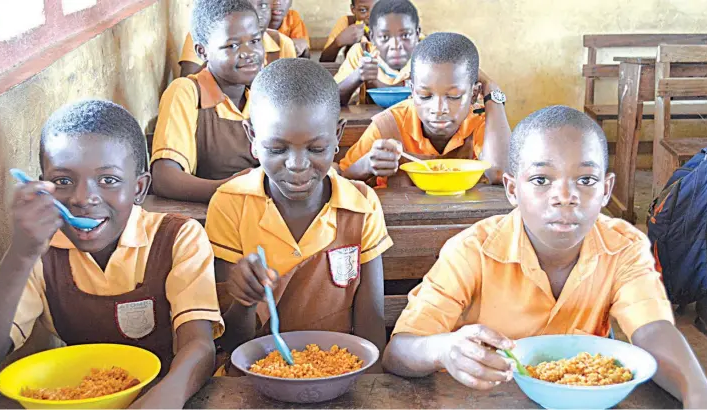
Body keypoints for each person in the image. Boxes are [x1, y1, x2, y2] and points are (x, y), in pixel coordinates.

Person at [381, 105, 707, 408]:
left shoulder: (623, 248)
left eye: (586, 180)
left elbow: (653, 331)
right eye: (541, 180)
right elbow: (399, 352)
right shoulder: (471, 251)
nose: (565, 197)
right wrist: (443, 349)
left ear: (606, 190)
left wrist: (698, 394)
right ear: (512, 189)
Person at [0, 100, 223, 408]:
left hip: (176, 390)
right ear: (43, 186)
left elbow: (198, 344)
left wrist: (163, 398)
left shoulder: (177, 237)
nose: (83, 198)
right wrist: (21, 255)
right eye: (63, 181)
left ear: (139, 188)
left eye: (108, 180)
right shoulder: (40, 252)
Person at [205, 59, 391, 373]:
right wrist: (246, 300)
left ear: (337, 137)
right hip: (256, 376)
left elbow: (371, 327)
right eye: (277, 149)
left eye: (316, 148)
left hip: (340, 372)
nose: (297, 165)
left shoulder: (360, 204)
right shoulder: (230, 204)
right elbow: (234, 343)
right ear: (251, 136)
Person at [339, 32, 510, 186]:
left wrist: (492, 90)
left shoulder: (483, 124)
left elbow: (499, 172)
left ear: (474, 95)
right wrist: (367, 165)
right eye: (425, 96)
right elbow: (342, 177)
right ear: (412, 91)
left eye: (454, 96)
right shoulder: (389, 125)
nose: (438, 109)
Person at [151, 0, 263, 203]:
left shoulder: (262, 95)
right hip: (208, 218)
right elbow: (163, 177)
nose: (249, 53)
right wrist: (230, 188)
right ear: (202, 52)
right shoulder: (186, 93)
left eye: (255, 41)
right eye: (233, 45)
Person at [178, 0, 296, 78]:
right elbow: (190, 83)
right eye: (246, 4)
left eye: (263, 5)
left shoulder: (283, 44)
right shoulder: (208, 36)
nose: (257, 14)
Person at [333, 0, 420, 105]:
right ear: (372, 36)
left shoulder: (426, 56)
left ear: (417, 34)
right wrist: (357, 76)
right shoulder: (361, 52)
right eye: (384, 37)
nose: (395, 45)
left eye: (405, 35)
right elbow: (330, 101)